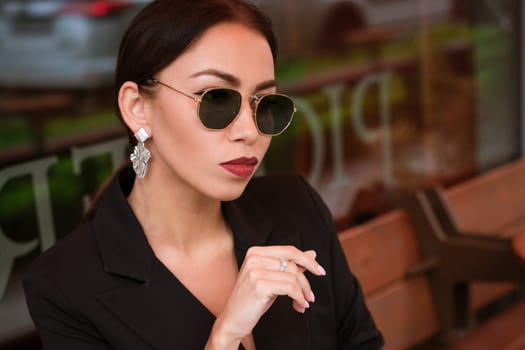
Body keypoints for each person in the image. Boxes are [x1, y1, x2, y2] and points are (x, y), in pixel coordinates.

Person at [23, 0, 384, 349]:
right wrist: (224, 337)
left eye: (264, 103)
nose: (249, 131)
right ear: (137, 108)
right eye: (216, 100)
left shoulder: (295, 208)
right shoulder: (65, 285)